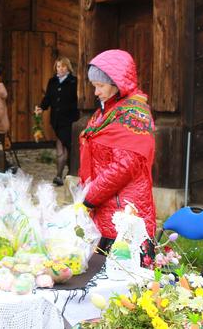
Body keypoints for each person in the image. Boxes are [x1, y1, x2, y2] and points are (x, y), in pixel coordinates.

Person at [79, 49, 156, 254]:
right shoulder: (106, 112)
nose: (96, 92)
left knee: (123, 277)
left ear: (117, 83)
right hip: (105, 205)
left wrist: (89, 197)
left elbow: (125, 166)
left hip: (124, 210)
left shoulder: (133, 114)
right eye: (94, 86)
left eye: (100, 86)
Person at [34, 56, 79, 186]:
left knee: (66, 147)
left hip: (70, 120)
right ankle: (63, 174)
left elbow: (77, 100)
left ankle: (64, 174)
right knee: (64, 147)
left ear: (68, 68)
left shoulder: (74, 81)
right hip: (56, 120)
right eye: (58, 66)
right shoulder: (52, 81)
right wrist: (41, 108)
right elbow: (47, 98)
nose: (60, 69)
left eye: (63, 66)